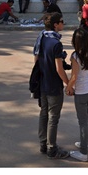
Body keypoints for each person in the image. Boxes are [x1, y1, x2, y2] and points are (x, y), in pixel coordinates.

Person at [33, 12, 70, 159]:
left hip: (42, 83)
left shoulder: (41, 38)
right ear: (55, 25)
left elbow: (36, 60)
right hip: (54, 85)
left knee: (43, 114)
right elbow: (59, 69)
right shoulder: (56, 43)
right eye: (62, 21)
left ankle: (43, 144)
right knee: (53, 118)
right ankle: (52, 149)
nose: (63, 24)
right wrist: (69, 84)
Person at [66, 28, 88, 162]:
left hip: (81, 92)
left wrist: (68, 88)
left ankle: (83, 152)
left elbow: (74, 77)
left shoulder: (75, 56)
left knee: (83, 122)